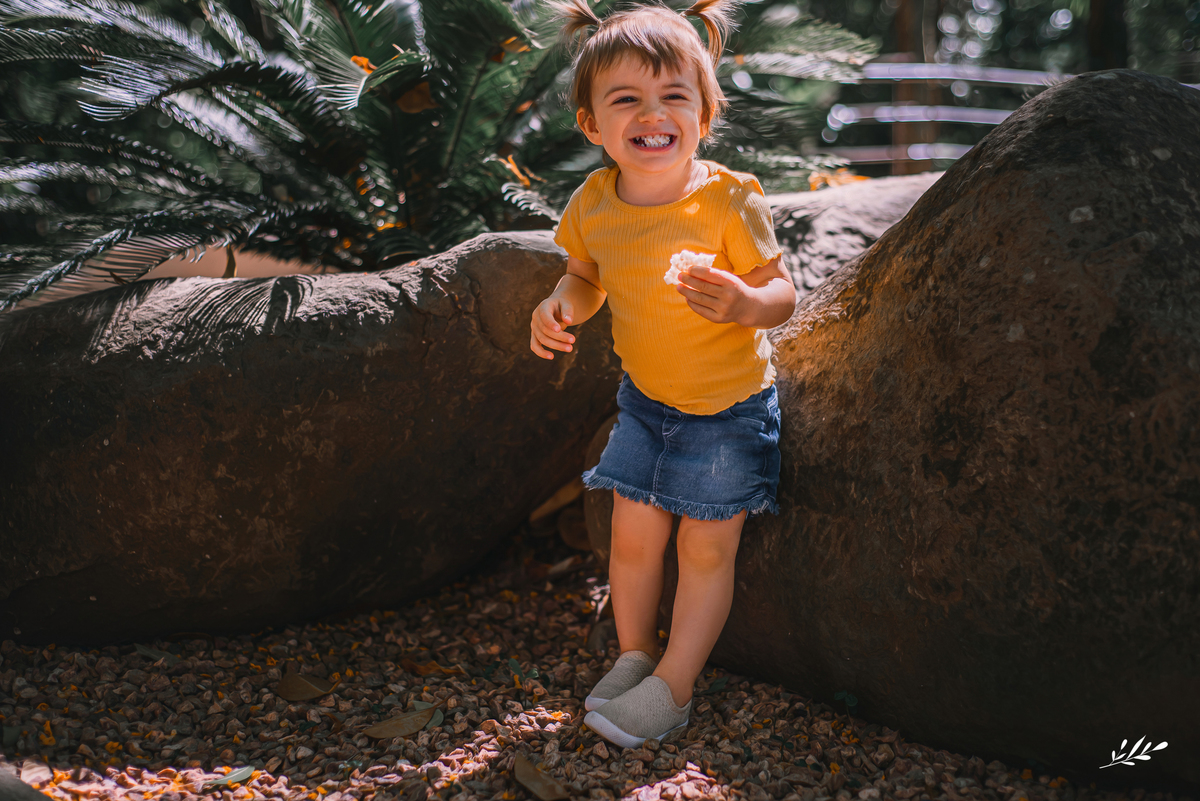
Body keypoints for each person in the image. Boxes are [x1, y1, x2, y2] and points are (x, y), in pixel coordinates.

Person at [530, 0, 797, 749]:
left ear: (704, 115)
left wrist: (744, 301)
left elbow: (781, 294)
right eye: (626, 100)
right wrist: (560, 304)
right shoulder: (594, 202)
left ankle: (674, 688)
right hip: (645, 405)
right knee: (631, 540)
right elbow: (585, 277)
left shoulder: (728, 198)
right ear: (592, 125)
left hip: (728, 412)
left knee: (704, 550)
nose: (653, 114)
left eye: (674, 96)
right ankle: (634, 655)